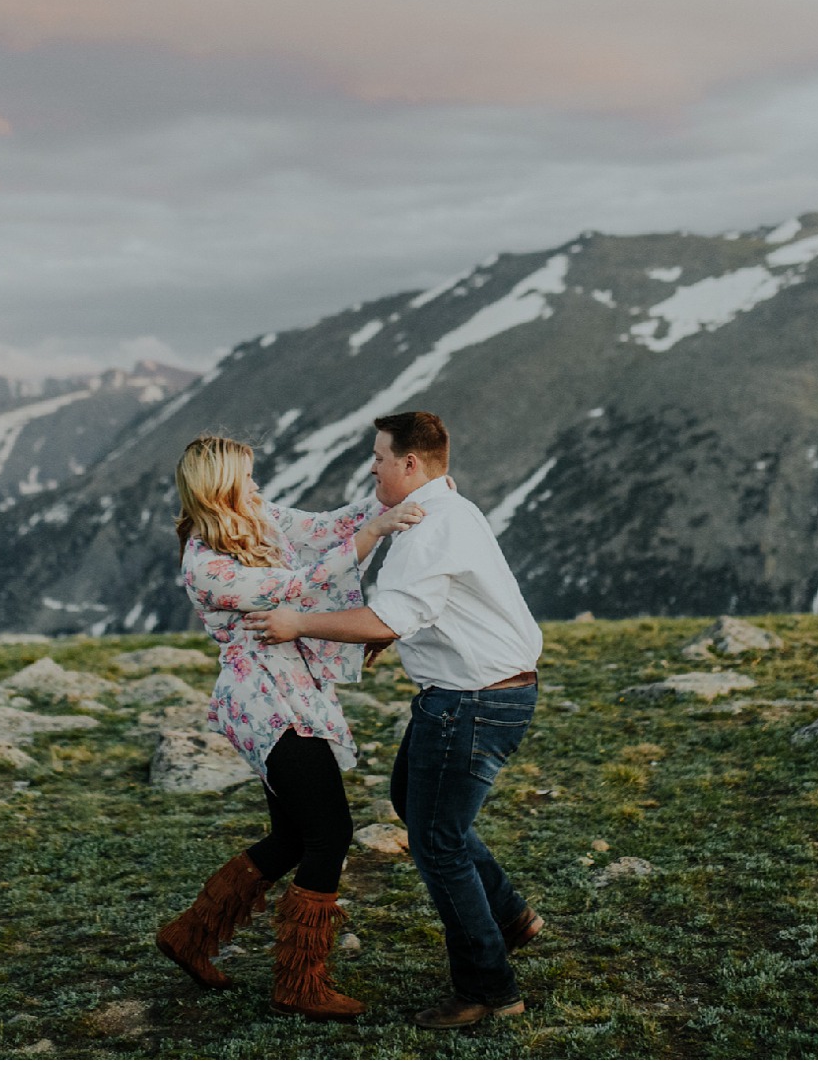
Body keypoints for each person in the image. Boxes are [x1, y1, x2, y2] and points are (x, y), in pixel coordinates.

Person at [243, 410, 545, 1031]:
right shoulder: (448, 508)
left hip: (471, 701)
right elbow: (422, 606)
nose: (372, 467)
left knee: (436, 843)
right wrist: (394, 633)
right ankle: (510, 915)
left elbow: (388, 616)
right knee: (414, 802)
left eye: (380, 457)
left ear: (411, 464)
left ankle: (489, 990)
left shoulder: (433, 524)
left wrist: (296, 623)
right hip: (482, 692)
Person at [155, 432, 429, 1021]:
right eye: (246, 477)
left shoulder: (257, 518)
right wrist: (372, 536)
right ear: (221, 484)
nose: (256, 486)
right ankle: (300, 982)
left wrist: (393, 497)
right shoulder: (205, 564)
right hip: (264, 705)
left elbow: (323, 528)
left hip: (295, 696)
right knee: (329, 832)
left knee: (294, 836)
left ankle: (191, 936)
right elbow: (297, 589)